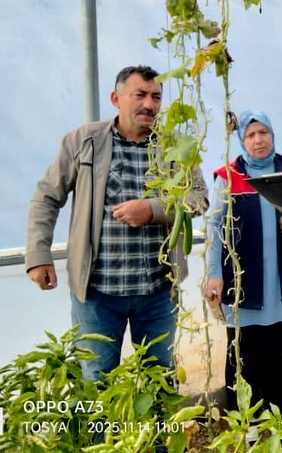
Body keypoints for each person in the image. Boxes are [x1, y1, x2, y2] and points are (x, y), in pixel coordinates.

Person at [25, 65, 208, 382]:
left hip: (158, 291)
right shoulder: (83, 141)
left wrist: (152, 209)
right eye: (140, 95)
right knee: (97, 379)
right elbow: (47, 197)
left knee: (159, 379)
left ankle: (155, 418)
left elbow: (199, 197)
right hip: (97, 293)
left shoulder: (175, 146)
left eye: (156, 97)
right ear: (116, 98)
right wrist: (38, 255)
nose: (149, 104)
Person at [202, 110, 282, 416]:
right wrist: (214, 273)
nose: (258, 140)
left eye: (264, 133)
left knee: (278, 353)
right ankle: (244, 424)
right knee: (242, 356)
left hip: (278, 280)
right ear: (241, 140)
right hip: (243, 281)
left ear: (272, 135)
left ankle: (279, 424)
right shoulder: (229, 175)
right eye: (250, 135)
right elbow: (213, 226)